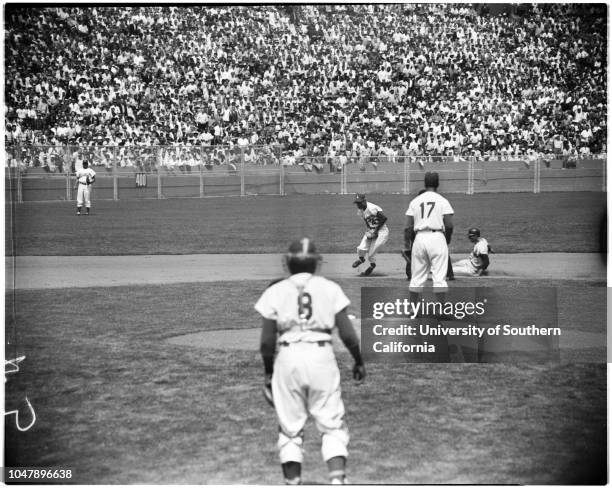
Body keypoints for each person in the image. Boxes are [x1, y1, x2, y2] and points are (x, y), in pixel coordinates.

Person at [255, 238, 366, 485]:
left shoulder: (275, 290)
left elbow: (266, 342)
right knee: (332, 424)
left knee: (289, 427)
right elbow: (347, 333)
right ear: (317, 263)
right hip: (321, 357)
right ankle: (337, 481)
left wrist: (268, 373)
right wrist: (358, 360)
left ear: (287, 263)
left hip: (287, 357)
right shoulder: (329, 288)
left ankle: (292, 482)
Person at [403, 171, 454, 293]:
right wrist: (446, 239)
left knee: (416, 278)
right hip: (437, 237)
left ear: (425, 183)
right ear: (438, 183)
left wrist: (407, 246)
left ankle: (412, 309)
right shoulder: (443, 200)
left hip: (419, 238)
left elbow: (408, 227)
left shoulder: (415, 201)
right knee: (439, 279)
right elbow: (449, 224)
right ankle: (440, 309)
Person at [351, 193, 389, 276]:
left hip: (382, 232)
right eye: (357, 203)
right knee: (360, 249)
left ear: (364, 201)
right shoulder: (360, 211)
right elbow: (366, 220)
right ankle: (361, 260)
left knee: (371, 254)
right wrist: (369, 230)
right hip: (372, 230)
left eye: (360, 202)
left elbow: (384, 218)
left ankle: (372, 266)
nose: (358, 204)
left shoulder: (372, 208)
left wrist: (375, 231)